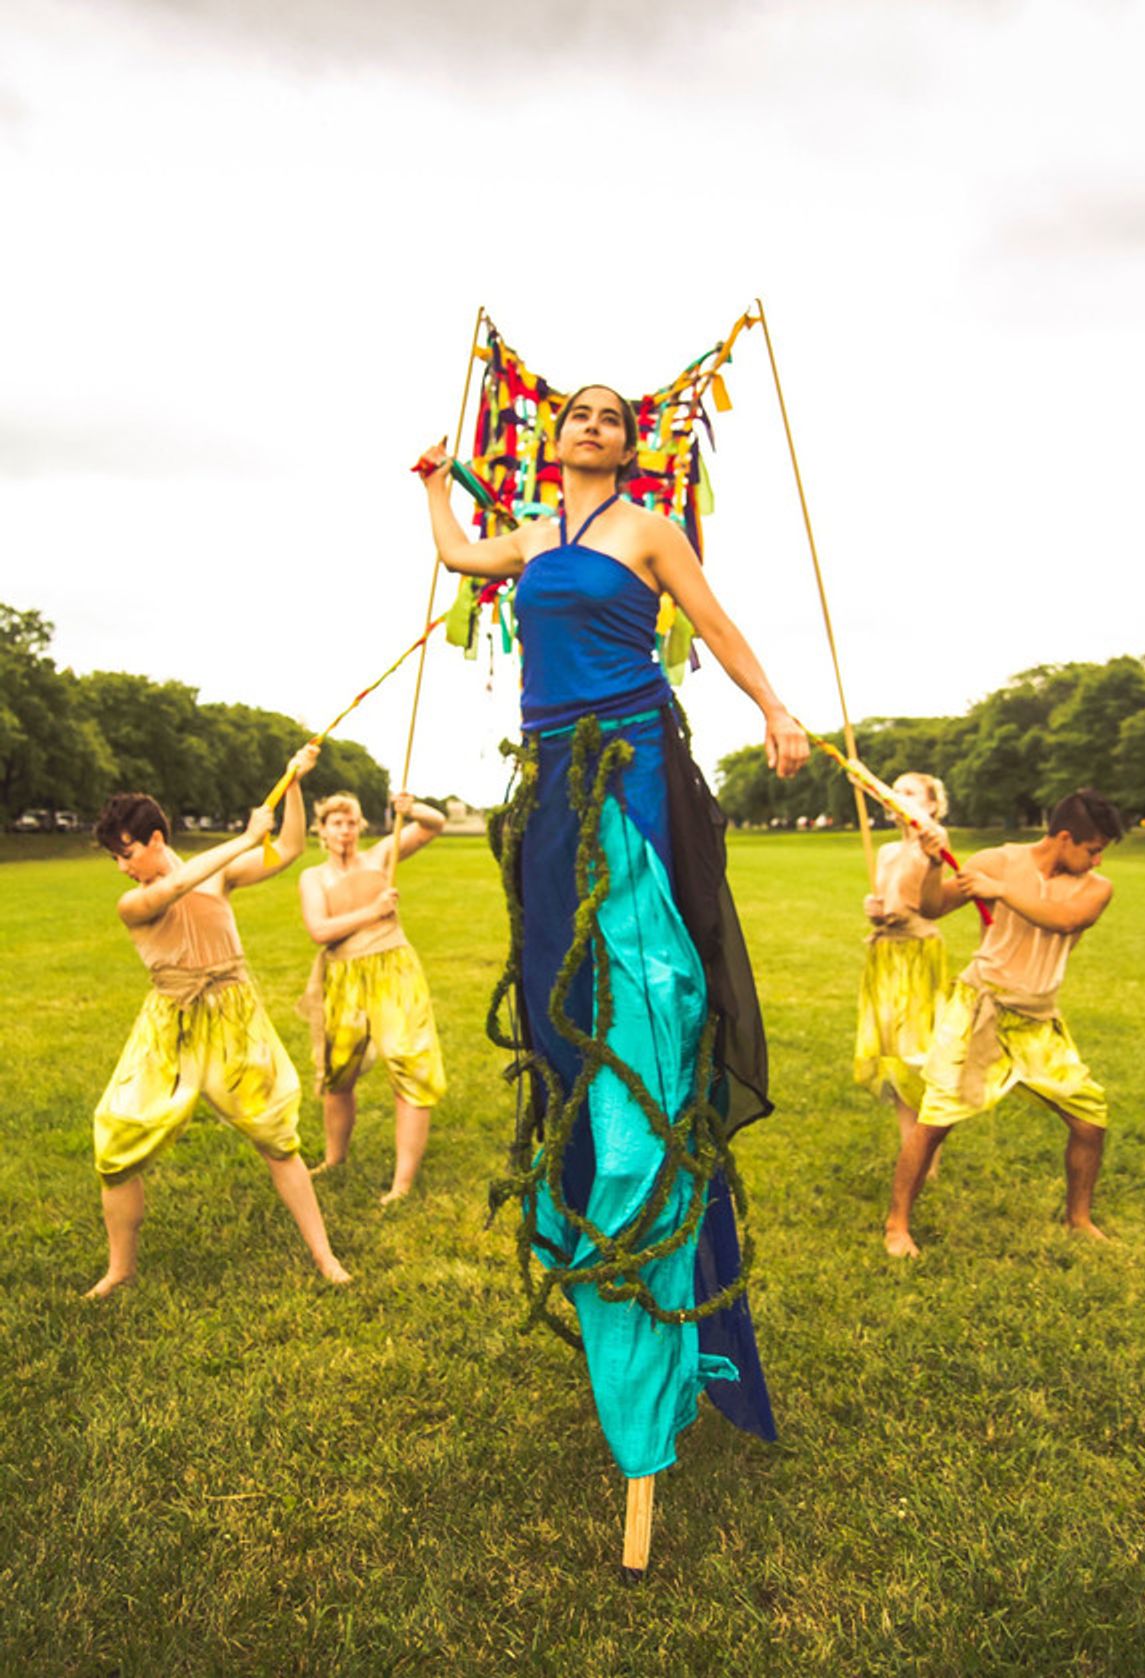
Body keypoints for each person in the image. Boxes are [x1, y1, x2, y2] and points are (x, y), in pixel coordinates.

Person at [418, 385, 808, 1481]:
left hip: (629, 770)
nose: (591, 424)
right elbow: (457, 557)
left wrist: (775, 708)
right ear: (555, 437)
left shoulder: (650, 530)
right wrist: (431, 484)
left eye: (610, 417)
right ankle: (585, 1158)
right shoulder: (536, 535)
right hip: (546, 783)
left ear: (631, 447)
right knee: (565, 1000)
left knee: (643, 987)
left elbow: (718, 626)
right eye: (578, 414)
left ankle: (650, 1194)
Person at [88, 746, 350, 1297]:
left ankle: (325, 1256)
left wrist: (295, 783)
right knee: (117, 1135)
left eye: (126, 852)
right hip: (170, 1021)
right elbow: (175, 888)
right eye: (115, 857)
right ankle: (119, 1270)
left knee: (277, 1137)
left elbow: (293, 848)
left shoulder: (219, 872)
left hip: (233, 1014)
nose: (122, 866)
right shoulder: (132, 902)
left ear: (156, 839)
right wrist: (246, 837)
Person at [885, 787, 1123, 1258]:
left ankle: (1079, 1219)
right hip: (979, 1007)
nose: (1097, 862)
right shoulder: (997, 861)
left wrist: (1003, 893)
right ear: (1065, 837)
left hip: (1037, 1019)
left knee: (1090, 1120)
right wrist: (933, 864)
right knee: (935, 1122)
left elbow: (1062, 919)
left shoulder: (1096, 888)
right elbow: (932, 907)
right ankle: (897, 1226)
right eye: (1092, 850)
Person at [298, 789, 447, 1203]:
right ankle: (333, 1159)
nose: (344, 830)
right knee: (337, 1074)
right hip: (343, 975)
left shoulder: (381, 855)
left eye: (351, 822)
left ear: (360, 826)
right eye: (336, 823)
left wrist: (411, 808)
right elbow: (319, 931)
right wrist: (373, 911)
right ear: (322, 831)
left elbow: (434, 824)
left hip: (393, 968)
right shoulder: (313, 878)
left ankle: (402, 1183)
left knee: (409, 1063)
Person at [854, 773, 952, 1169]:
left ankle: (928, 1158)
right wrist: (873, 909)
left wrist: (862, 774)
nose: (897, 797)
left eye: (909, 792)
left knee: (918, 1060)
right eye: (894, 789)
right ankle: (912, 1153)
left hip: (917, 955)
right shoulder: (889, 850)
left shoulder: (933, 840)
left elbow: (924, 897)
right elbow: (889, 900)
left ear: (931, 805)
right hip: (886, 955)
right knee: (893, 1062)